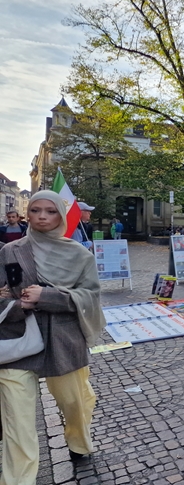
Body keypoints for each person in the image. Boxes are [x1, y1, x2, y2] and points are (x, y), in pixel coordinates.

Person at [0, 190, 106, 484]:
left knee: (75, 403)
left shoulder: (80, 255)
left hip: (63, 339)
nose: (42, 217)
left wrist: (49, 296)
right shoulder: (10, 251)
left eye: (51, 211)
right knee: (17, 422)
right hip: (15, 340)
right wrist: (17, 304)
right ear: (27, 215)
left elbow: (91, 297)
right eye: (36, 210)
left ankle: (78, 443)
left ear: (61, 215)